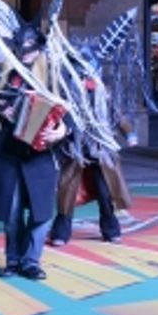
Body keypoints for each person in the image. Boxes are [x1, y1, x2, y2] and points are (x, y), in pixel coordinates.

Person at [0, 23, 71, 280]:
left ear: (39, 49)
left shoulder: (54, 75)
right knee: (12, 212)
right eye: (20, 49)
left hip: (40, 154)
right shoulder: (2, 71)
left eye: (30, 49)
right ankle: (13, 260)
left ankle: (31, 261)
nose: (25, 54)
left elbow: (76, 110)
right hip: (8, 152)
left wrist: (62, 131)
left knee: (41, 213)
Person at [51, 76, 134, 246]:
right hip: (75, 149)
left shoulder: (103, 91)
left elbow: (117, 114)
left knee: (105, 192)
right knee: (67, 191)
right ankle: (61, 231)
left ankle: (111, 229)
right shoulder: (67, 92)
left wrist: (129, 133)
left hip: (101, 150)